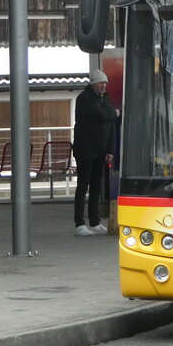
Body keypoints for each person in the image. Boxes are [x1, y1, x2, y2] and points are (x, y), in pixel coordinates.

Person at [72, 68, 116, 236]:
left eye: (105, 83)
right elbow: (100, 115)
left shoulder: (105, 98)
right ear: (93, 84)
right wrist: (113, 112)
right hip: (85, 149)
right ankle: (79, 223)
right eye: (100, 83)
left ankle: (95, 221)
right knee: (83, 185)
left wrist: (110, 149)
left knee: (97, 186)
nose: (103, 86)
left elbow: (110, 123)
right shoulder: (84, 99)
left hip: (101, 149)